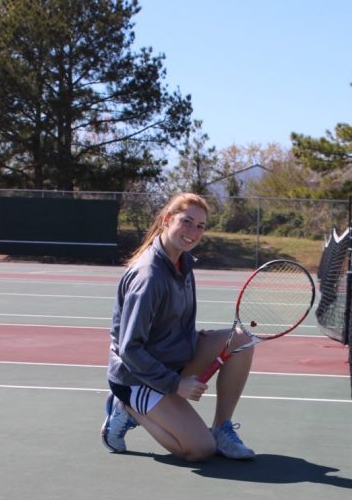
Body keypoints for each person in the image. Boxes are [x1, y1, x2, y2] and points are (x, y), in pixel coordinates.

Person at [101, 192, 255, 462]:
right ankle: (127, 407)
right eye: (186, 221)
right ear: (167, 220)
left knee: (240, 340)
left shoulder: (182, 263)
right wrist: (176, 385)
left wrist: (193, 338)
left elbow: (168, 322)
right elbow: (130, 349)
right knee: (200, 449)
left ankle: (221, 428)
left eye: (200, 226)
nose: (193, 231)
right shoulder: (148, 277)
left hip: (169, 360)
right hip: (136, 377)